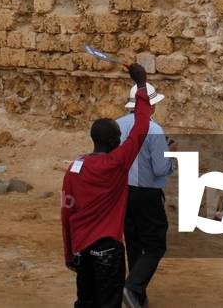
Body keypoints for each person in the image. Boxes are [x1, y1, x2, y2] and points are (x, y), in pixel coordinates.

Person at [62, 64, 151, 308]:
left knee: (85, 301)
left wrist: (69, 252)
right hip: (107, 249)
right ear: (114, 141)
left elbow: (66, 212)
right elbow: (141, 127)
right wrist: (141, 84)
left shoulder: (74, 168)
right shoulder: (117, 163)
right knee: (109, 303)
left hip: (81, 246)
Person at [115, 82, 172, 307]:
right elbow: (159, 168)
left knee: (133, 242)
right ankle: (133, 287)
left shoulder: (117, 125)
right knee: (156, 244)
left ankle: (137, 294)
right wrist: (171, 158)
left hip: (122, 192)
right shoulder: (154, 130)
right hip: (147, 193)